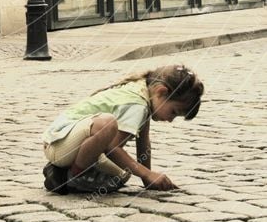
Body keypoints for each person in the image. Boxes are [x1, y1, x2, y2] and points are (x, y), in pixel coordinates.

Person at [42, 64, 204, 194]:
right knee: (106, 123)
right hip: (60, 144)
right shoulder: (137, 104)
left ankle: (60, 171)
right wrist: (147, 174)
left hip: (68, 143)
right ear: (161, 91)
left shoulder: (144, 93)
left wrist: (147, 178)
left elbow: (143, 143)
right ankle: (72, 175)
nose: (170, 120)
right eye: (173, 112)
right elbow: (113, 149)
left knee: (121, 176)